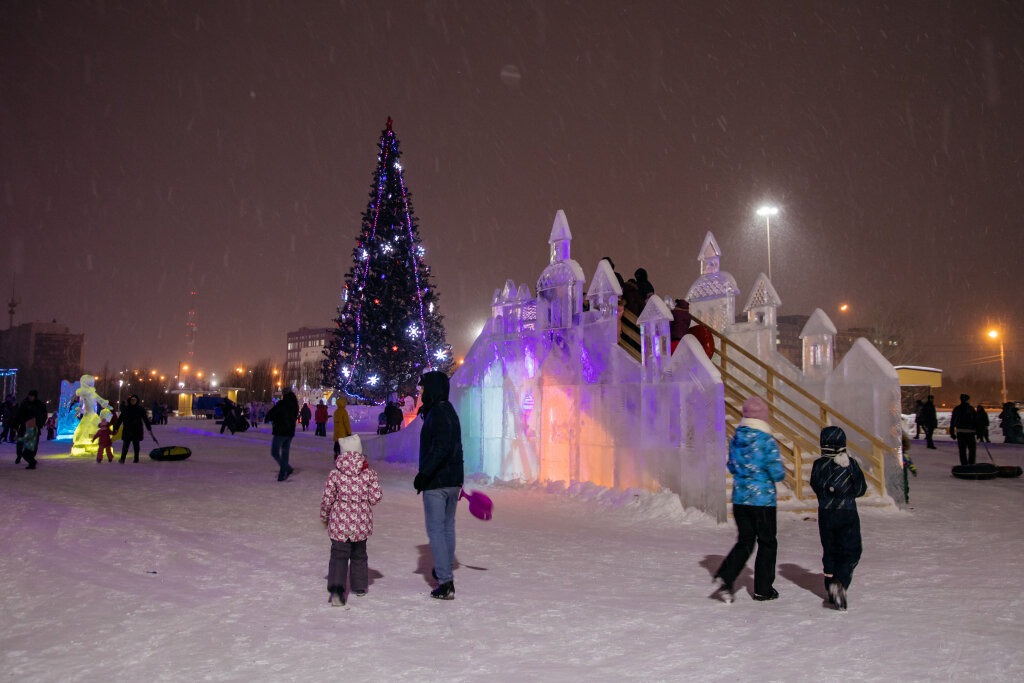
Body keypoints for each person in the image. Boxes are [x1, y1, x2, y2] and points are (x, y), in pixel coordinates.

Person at [713, 396, 786, 603]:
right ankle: (763, 589)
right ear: (763, 418)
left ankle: (726, 577)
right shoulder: (766, 441)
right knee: (767, 543)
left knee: (745, 540)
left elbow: (732, 466)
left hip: (740, 499)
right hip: (763, 502)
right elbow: (777, 472)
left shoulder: (737, 438)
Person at [413, 371, 465, 600]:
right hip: (451, 480)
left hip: (438, 482)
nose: (421, 393)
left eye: (423, 389)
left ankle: (445, 583)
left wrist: (424, 474)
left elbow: (441, 447)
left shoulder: (438, 412)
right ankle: (443, 568)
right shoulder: (449, 410)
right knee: (446, 528)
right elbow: (455, 447)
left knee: (437, 530)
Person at [320, 434, 382, 606]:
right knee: (359, 554)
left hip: (339, 522)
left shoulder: (335, 474)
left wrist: (324, 515)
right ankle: (360, 586)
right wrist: (365, 498)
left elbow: (327, 499)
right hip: (360, 523)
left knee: (339, 555)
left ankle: (337, 590)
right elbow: (376, 497)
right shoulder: (368, 473)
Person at [809, 426, 867, 610]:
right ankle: (840, 582)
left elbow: (815, 485)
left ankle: (830, 587)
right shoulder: (850, 464)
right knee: (851, 550)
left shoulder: (818, 465)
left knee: (830, 549)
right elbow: (860, 489)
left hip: (826, 512)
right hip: (847, 512)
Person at [266, 390, 299, 481]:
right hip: (290, 431)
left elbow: (271, 414)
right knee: (285, 452)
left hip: (280, 431)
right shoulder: (294, 405)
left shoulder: (282, 404)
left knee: (274, 451)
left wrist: (273, 418)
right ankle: (283, 472)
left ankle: (285, 469)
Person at [113, 394, 153, 464]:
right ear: (130, 401)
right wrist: (116, 427)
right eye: (132, 400)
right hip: (127, 430)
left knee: (136, 445)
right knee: (125, 445)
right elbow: (120, 419)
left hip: (137, 430)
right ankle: (122, 458)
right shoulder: (126, 409)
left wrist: (148, 427)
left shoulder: (140, 409)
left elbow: (145, 419)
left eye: (134, 400)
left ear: (137, 401)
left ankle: (136, 458)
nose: (133, 401)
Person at [13, 390, 48, 466]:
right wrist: (15, 426)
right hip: (24, 426)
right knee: (20, 442)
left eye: (32, 396)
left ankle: (30, 458)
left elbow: (44, 415)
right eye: (30, 396)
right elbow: (18, 415)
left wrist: (40, 424)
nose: (30, 398)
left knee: (33, 445)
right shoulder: (24, 404)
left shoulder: (40, 405)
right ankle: (19, 455)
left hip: (34, 427)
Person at [949, 393, 977, 466]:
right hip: (970, 432)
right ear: (967, 400)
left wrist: (952, 432)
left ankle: (964, 465)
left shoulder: (957, 409)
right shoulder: (971, 409)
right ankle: (971, 464)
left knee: (962, 450)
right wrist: (978, 431)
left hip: (960, 432)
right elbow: (975, 420)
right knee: (972, 450)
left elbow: (952, 421)